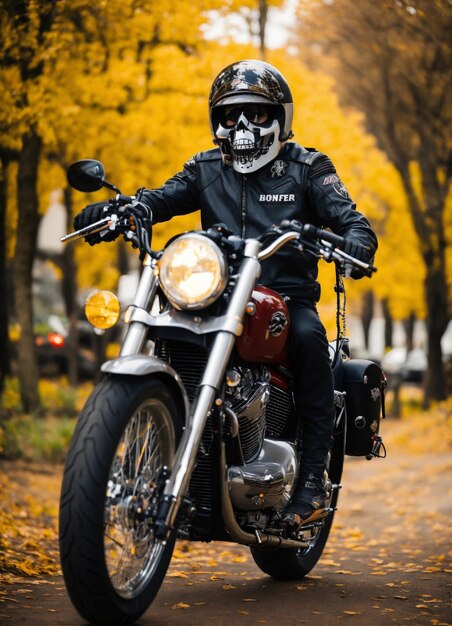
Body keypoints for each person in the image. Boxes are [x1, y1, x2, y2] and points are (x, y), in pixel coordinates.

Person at [74, 59, 378, 531]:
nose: (240, 126)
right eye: (230, 114)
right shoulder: (206, 167)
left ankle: (313, 480)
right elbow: (160, 198)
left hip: (284, 297)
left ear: (280, 117)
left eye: (255, 114)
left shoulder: (307, 167)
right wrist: (124, 209)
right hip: (211, 294)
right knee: (167, 334)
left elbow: (351, 219)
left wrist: (354, 241)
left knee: (309, 338)